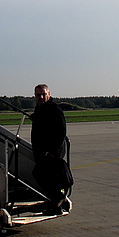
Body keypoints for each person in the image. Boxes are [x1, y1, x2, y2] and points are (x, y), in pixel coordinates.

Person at [30, 84, 73, 215]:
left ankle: (57, 199)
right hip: (42, 152)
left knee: (39, 173)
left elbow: (61, 131)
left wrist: (53, 151)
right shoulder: (40, 109)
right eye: (38, 95)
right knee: (48, 177)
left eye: (44, 94)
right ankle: (56, 205)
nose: (41, 97)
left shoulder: (54, 109)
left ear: (49, 94)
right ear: (35, 96)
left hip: (51, 153)